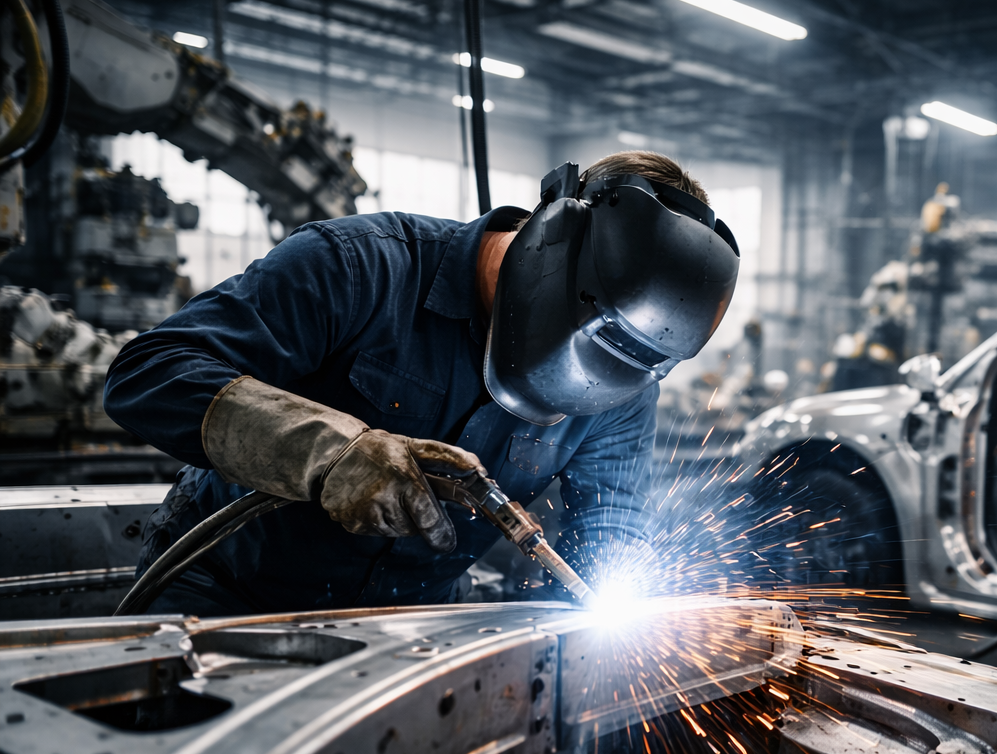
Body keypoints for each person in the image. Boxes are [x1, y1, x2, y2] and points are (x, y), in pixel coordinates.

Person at [103, 152, 741, 614]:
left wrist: (609, 596)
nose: (593, 378)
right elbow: (149, 373)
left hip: (416, 621)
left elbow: (612, 518)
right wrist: (328, 451)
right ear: (553, 234)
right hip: (228, 593)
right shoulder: (359, 266)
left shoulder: (625, 377)